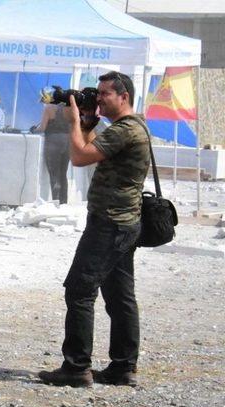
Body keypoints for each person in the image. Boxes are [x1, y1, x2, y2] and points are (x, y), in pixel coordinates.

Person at [38, 71, 151, 388]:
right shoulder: (128, 127)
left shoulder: (125, 130)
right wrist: (87, 122)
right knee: (119, 295)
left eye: (104, 94)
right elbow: (89, 146)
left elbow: (79, 157)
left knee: (79, 289)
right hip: (123, 221)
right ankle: (123, 367)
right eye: (97, 93)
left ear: (123, 97)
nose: (98, 98)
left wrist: (74, 120)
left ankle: (76, 368)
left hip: (110, 222)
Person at [33, 102, 71, 204]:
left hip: (53, 142)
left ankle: (56, 202)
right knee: (63, 174)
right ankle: (64, 203)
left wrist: (33, 130)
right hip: (68, 142)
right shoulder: (70, 109)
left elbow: (42, 128)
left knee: (54, 174)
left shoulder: (49, 108)